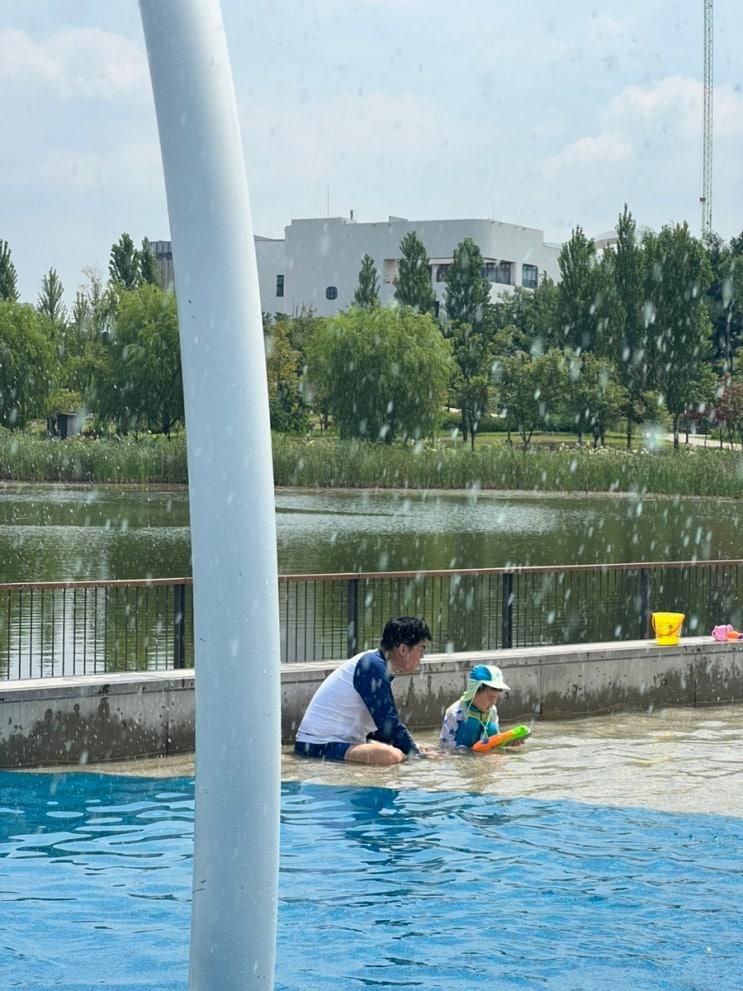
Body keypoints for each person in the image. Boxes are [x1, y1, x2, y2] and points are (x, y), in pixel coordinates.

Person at [294, 616, 434, 766]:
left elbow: (382, 728)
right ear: (403, 649)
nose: (422, 657)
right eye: (422, 649)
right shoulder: (373, 666)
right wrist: (416, 754)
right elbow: (389, 724)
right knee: (390, 755)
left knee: (402, 748)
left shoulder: (376, 663)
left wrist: (411, 745)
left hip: (325, 743)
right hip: (318, 746)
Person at [439, 664, 512, 750]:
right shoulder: (456, 712)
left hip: (487, 756)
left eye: (496, 698)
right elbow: (444, 746)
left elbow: (495, 739)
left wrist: (508, 742)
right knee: (470, 725)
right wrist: (471, 752)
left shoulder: (492, 711)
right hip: (463, 759)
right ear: (475, 692)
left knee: (491, 728)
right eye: (490, 698)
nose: (493, 702)